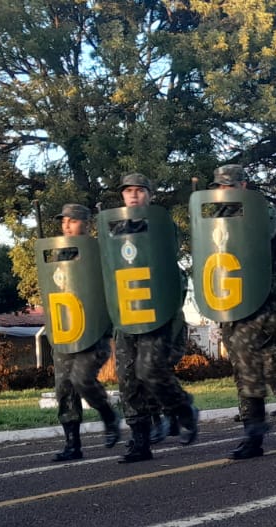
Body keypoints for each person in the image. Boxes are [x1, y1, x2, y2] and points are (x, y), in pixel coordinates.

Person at [204, 164, 276, 459]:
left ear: (242, 186)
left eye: (227, 186)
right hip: (236, 300)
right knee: (245, 363)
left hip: (267, 295)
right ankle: (264, 416)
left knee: (247, 355)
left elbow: (256, 240)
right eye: (218, 187)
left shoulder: (262, 211)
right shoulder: (216, 221)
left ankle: (255, 428)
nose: (222, 192)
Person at [110, 173, 200, 462]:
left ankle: (182, 407)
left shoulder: (161, 225)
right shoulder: (115, 232)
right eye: (128, 191)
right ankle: (140, 441)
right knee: (127, 377)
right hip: (127, 310)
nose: (133, 195)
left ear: (150, 194)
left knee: (150, 370)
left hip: (156, 308)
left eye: (139, 190)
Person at [43, 203, 120, 461]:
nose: (66, 225)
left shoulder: (98, 252)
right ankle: (72, 444)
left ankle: (108, 415)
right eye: (63, 220)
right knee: (64, 387)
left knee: (82, 379)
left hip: (94, 330)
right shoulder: (58, 254)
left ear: (85, 223)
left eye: (72, 220)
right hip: (66, 330)